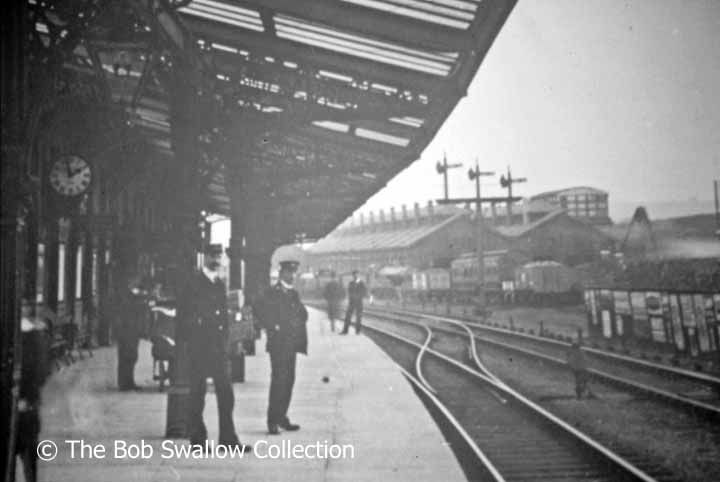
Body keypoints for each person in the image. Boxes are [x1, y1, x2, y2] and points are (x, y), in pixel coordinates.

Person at [177, 244, 250, 452]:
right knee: (197, 394)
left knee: (226, 393)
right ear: (205, 258)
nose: (217, 260)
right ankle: (198, 440)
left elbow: (224, 317)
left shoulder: (219, 283)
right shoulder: (192, 283)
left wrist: (229, 339)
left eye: (219, 256)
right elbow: (184, 315)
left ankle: (228, 439)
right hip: (199, 346)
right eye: (213, 256)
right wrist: (189, 340)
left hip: (218, 347)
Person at [253, 260, 308, 435]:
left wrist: (298, 321)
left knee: (289, 381)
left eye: (294, 273)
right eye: (289, 273)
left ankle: (282, 417)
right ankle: (272, 421)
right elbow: (258, 309)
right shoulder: (271, 292)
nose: (292, 276)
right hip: (278, 344)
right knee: (278, 381)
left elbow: (303, 314)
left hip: (291, 344)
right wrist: (272, 326)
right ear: (281, 273)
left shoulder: (294, 294)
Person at [15, 312, 49, 482]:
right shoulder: (34, 336)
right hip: (28, 403)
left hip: (24, 403)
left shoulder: (31, 335)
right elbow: (42, 371)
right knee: (29, 455)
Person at [114, 275, 149, 391]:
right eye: (136, 281)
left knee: (131, 356)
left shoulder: (130, 295)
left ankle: (128, 382)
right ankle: (124, 384)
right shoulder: (126, 296)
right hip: (127, 330)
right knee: (127, 356)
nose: (137, 283)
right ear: (130, 282)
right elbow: (128, 311)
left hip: (131, 330)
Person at [341, 270, 366, 335]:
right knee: (348, 316)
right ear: (353, 275)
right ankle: (345, 330)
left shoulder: (361, 283)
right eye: (354, 274)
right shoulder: (351, 283)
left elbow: (364, 292)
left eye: (356, 274)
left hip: (359, 302)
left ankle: (357, 331)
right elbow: (349, 291)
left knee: (359, 317)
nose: (355, 276)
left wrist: (358, 296)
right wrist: (351, 296)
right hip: (351, 302)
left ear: (358, 275)